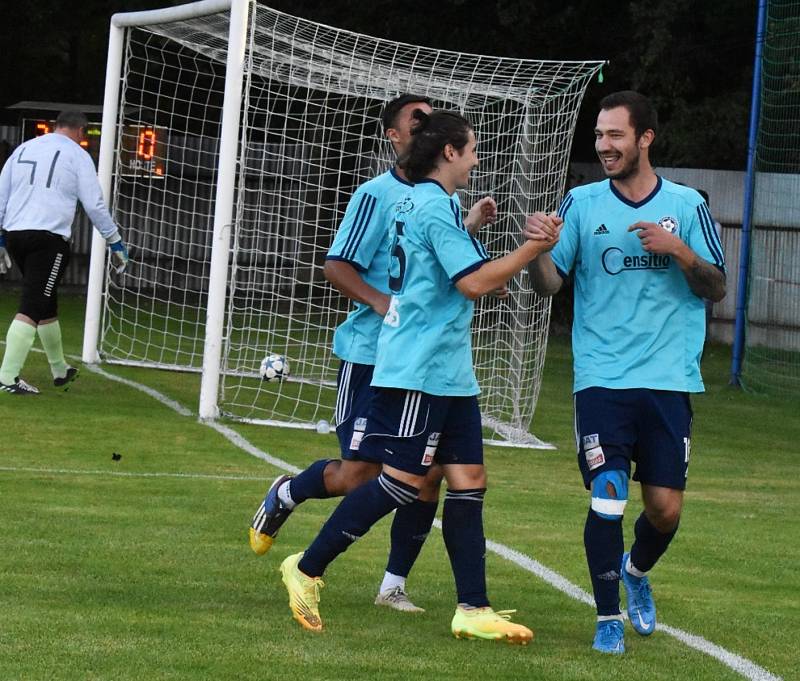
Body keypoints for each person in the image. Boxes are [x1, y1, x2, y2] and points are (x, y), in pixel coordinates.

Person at [278, 109, 558, 642]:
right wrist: (531, 249)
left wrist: (497, 255)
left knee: (469, 481)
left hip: (450, 370)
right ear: (449, 152)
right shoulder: (432, 209)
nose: (477, 157)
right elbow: (474, 284)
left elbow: (467, 277)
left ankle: (473, 608)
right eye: (472, 148)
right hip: (418, 369)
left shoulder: (435, 207)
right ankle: (307, 568)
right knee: (402, 484)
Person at [249, 94, 498, 613]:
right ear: (397, 135)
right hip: (374, 352)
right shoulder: (375, 194)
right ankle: (289, 496)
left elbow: (434, 261)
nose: (427, 126)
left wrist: (468, 229)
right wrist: (387, 305)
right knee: (365, 474)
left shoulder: (440, 200)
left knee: (427, 475)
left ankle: (394, 586)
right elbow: (337, 264)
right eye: (418, 120)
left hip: (426, 356)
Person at [524, 91, 726, 654]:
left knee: (664, 510)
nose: (604, 146)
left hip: (667, 380)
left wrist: (680, 252)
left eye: (614, 135)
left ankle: (635, 572)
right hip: (602, 379)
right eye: (598, 136)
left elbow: (717, 287)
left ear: (645, 139)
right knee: (609, 494)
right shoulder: (582, 203)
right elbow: (549, 287)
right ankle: (607, 618)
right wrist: (540, 250)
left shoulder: (686, 206)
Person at [0, 110, 129, 395]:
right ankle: (7, 377)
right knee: (33, 304)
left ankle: (60, 369)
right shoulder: (78, 156)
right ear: (81, 131)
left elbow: (2, 193)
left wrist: (0, 237)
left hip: (16, 235)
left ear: (55, 126)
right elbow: (94, 205)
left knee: (46, 303)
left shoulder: (24, 148)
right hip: (47, 239)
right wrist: (115, 240)